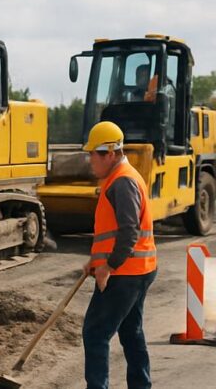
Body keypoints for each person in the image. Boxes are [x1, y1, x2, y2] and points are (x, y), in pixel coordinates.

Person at [81, 121, 157, 389]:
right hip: (139, 270)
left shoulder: (123, 182)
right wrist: (95, 261)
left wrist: (108, 267)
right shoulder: (122, 177)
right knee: (130, 331)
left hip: (125, 274)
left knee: (95, 333)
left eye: (93, 154)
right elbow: (112, 232)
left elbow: (129, 232)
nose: (90, 161)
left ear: (110, 153)